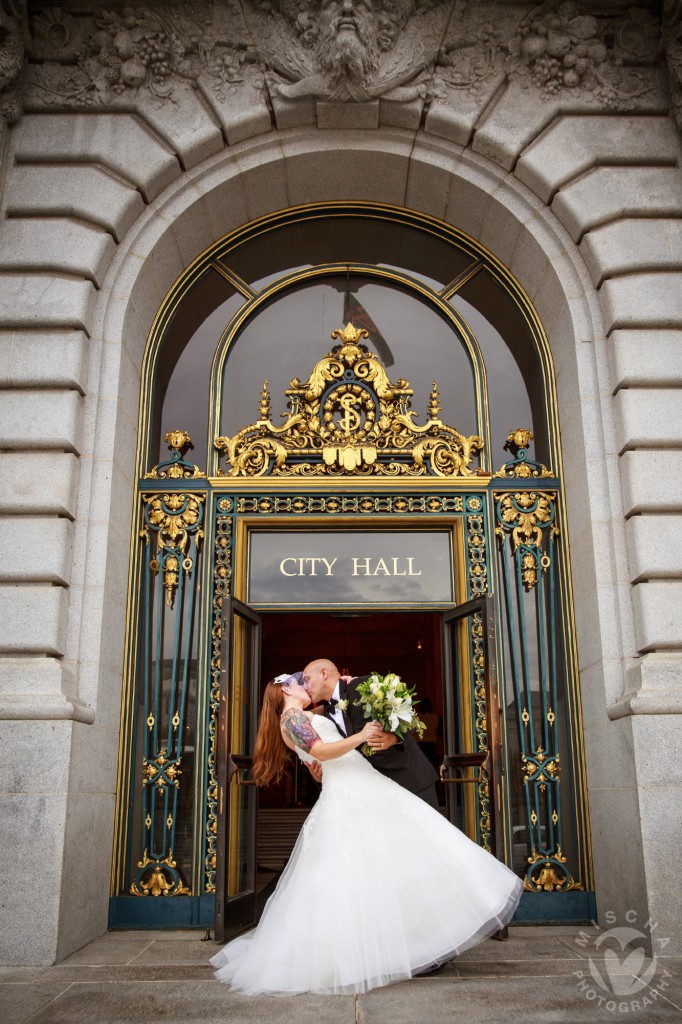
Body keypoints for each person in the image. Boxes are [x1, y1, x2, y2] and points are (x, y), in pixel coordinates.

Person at [210, 672, 523, 996]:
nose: (306, 685)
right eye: (299, 681)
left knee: (394, 862)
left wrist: (349, 685)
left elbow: (327, 734)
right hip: (350, 794)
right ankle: (377, 950)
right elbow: (321, 750)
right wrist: (361, 736)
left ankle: (410, 942)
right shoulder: (290, 719)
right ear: (286, 688)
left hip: (363, 785)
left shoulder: (304, 715)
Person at [303, 658, 440, 809]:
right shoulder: (326, 715)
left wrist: (394, 737)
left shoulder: (363, 685)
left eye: (307, 679)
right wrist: (321, 776)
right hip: (377, 793)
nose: (305, 686)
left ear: (324, 674)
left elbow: (407, 714)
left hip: (410, 779)